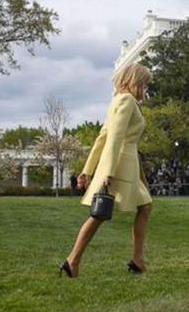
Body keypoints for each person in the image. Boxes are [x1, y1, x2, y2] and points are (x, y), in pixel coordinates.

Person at [60, 63, 153, 278]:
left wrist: (88, 169)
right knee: (99, 214)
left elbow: (103, 136)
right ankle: (72, 260)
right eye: (145, 84)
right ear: (136, 81)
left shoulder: (118, 101)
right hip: (121, 165)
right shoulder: (127, 100)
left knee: (145, 206)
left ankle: (138, 260)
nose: (146, 89)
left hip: (124, 165)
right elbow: (114, 138)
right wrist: (107, 173)